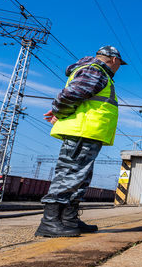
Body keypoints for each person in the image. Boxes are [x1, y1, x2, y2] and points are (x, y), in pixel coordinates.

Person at [36, 45, 126, 238]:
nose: (119, 66)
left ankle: (68, 219)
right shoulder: (95, 70)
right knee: (69, 175)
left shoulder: (97, 72)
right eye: (120, 62)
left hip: (88, 133)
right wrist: (59, 113)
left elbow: (76, 96)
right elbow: (71, 95)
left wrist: (60, 112)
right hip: (81, 132)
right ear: (113, 59)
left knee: (79, 178)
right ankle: (50, 222)